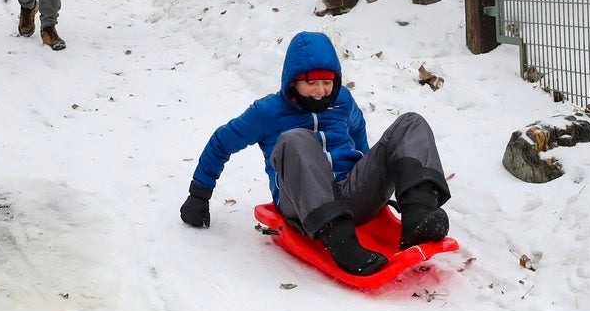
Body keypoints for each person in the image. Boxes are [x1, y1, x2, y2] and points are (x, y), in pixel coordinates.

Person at [179, 31, 451, 277]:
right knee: (295, 138)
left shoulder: (342, 100)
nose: (321, 91)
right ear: (293, 81)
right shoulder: (267, 112)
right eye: (312, 83)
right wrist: (199, 194)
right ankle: (342, 242)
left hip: (351, 193)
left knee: (410, 123)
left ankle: (419, 216)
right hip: (300, 204)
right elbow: (221, 142)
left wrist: (369, 171)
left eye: (327, 82)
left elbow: (358, 129)